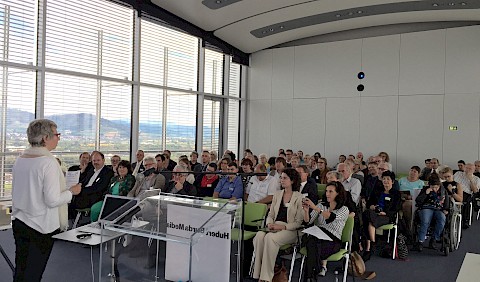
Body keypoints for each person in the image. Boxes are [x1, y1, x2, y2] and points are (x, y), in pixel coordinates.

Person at [11, 119, 82, 281]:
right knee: (34, 274)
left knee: (21, 270)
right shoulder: (47, 162)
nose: (59, 138)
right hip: (40, 227)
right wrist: (72, 192)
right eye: (56, 134)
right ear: (45, 138)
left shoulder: (21, 159)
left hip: (20, 221)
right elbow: (52, 200)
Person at [252, 168, 304, 282]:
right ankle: (258, 274)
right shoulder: (277, 194)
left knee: (270, 238)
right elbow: (270, 214)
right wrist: (269, 223)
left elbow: (298, 223)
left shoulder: (300, 197)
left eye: (285, 178)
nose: (281, 180)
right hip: (275, 226)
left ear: (293, 181)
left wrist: (282, 227)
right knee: (259, 236)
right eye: (281, 177)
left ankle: (266, 278)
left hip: (291, 230)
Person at [303, 181, 349, 279]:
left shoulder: (344, 209)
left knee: (312, 245)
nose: (327, 194)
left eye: (331, 191)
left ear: (338, 193)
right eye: (327, 191)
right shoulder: (321, 205)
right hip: (318, 236)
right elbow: (308, 221)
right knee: (314, 241)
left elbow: (331, 217)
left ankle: (310, 276)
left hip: (333, 240)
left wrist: (315, 207)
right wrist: (306, 211)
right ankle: (313, 274)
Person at [362, 171, 401, 261]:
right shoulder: (377, 191)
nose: (385, 181)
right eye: (384, 179)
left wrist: (385, 213)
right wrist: (371, 206)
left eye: (388, 179)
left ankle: (369, 246)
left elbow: (396, 209)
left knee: (368, 219)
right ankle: (371, 244)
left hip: (387, 216)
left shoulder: (396, 194)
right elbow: (369, 203)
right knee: (368, 214)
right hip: (374, 214)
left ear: (392, 181)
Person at [413, 174, 450, 251]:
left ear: (439, 185)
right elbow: (418, 201)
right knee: (425, 221)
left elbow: (446, 202)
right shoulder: (425, 190)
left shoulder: (443, 191)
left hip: (438, 209)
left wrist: (446, 209)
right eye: (432, 187)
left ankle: (434, 239)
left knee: (442, 219)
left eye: (436, 187)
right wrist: (426, 193)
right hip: (426, 207)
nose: (434, 189)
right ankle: (420, 241)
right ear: (429, 185)